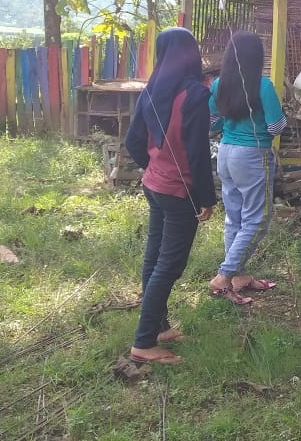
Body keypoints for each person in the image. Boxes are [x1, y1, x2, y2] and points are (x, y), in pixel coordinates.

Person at [124, 28, 217, 365]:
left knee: (154, 258)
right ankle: (144, 342)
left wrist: (155, 167)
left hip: (154, 186)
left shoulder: (150, 91)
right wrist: (206, 198)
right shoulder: (194, 95)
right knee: (169, 265)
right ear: (191, 55)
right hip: (179, 192)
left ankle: (159, 327)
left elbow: (133, 141)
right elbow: (196, 154)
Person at [208, 31, 287, 305]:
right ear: (257, 57)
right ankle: (224, 275)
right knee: (258, 218)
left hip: (225, 153)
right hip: (253, 154)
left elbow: (212, 123)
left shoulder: (218, 84)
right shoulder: (263, 86)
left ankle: (239, 277)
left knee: (235, 218)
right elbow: (277, 127)